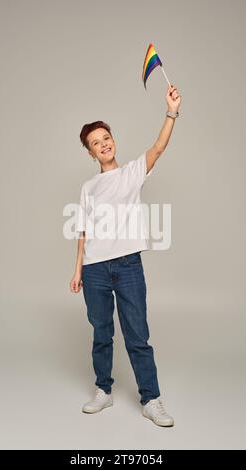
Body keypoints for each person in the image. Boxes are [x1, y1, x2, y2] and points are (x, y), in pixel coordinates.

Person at [70, 84, 181, 427]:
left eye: (105, 138)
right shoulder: (88, 188)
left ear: (113, 140)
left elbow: (159, 147)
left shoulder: (133, 172)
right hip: (94, 270)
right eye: (95, 143)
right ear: (90, 153)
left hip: (128, 265)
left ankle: (151, 399)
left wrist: (171, 111)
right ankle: (103, 391)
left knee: (137, 334)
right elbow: (82, 231)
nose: (102, 144)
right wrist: (77, 271)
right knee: (101, 333)